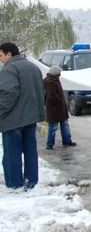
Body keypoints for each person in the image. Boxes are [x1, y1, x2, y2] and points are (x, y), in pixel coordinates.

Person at [0, 42, 45, 189]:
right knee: (30, 150)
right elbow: (42, 91)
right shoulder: (33, 67)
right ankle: (31, 181)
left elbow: (9, 93)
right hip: (31, 118)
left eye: (1, 56)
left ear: (9, 54)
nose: (0, 59)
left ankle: (14, 183)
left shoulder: (9, 68)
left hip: (13, 119)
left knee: (12, 153)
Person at [44, 66, 77, 149]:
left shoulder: (53, 80)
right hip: (54, 109)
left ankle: (67, 140)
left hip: (59, 109)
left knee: (64, 124)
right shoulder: (50, 81)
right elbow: (52, 95)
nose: (60, 74)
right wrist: (60, 101)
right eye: (59, 72)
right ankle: (50, 144)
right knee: (53, 127)